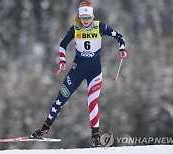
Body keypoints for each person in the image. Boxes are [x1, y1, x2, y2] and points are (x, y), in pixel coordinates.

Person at [30, 1, 127, 147]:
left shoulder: (100, 26)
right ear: (79, 17)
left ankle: (95, 136)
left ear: (92, 16)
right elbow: (63, 44)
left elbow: (119, 36)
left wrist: (122, 49)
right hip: (77, 70)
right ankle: (44, 129)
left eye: (88, 18)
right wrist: (62, 61)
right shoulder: (75, 28)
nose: (86, 21)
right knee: (61, 97)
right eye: (83, 18)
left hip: (95, 72)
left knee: (92, 103)